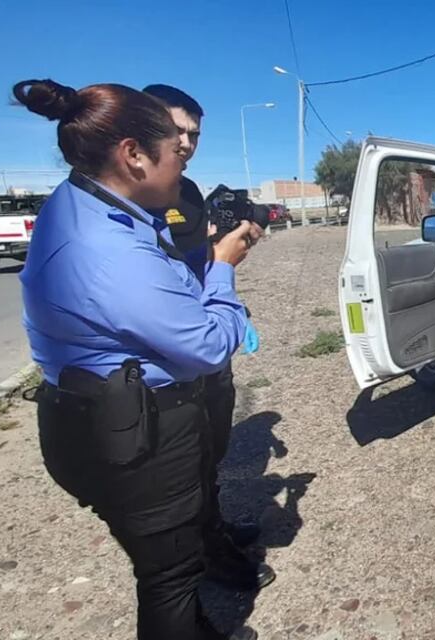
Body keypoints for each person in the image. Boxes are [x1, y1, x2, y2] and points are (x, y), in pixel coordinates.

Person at [15, 78, 261, 640]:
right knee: (169, 579)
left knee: (166, 568)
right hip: (136, 436)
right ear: (133, 154)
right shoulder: (108, 247)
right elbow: (206, 344)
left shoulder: (80, 206)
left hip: (96, 417)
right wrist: (223, 268)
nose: (183, 163)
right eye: (175, 150)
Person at [142, 84, 271, 592]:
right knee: (180, 468)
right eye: (176, 131)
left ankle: (213, 530)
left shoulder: (189, 192)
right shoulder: (130, 198)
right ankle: (205, 560)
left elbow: (202, 259)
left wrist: (229, 265)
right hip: (171, 350)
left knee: (210, 450)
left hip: (208, 333)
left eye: (194, 134)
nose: (186, 143)